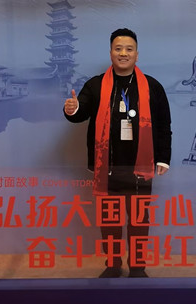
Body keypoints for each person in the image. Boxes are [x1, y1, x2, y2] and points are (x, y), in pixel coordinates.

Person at [64, 28, 172, 278]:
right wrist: (73, 108)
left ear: (137, 54)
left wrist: (163, 158)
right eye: (118, 48)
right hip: (108, 167)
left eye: (129, 49)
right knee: (109, 221)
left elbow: (164, 125)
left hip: (140, 168)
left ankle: (138, 268)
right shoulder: (95, 84)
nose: (123, 53)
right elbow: (80, 113)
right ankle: (113, 265)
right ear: (111, 52)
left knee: (139, 221)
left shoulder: (152, 87)